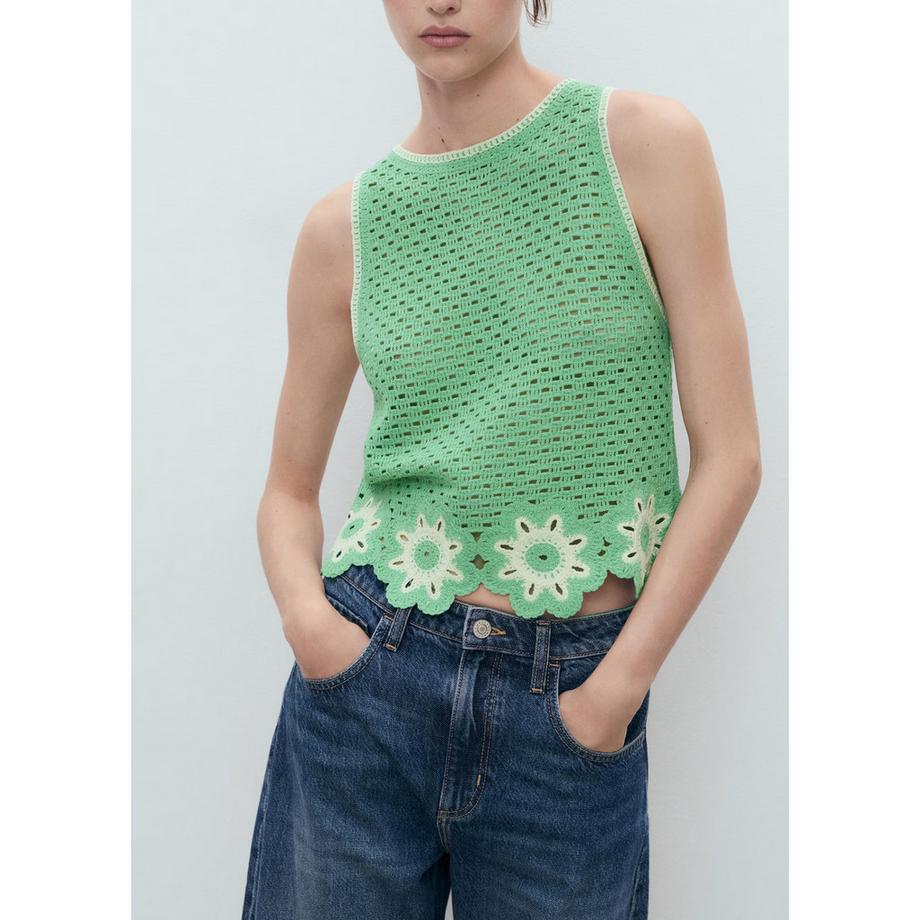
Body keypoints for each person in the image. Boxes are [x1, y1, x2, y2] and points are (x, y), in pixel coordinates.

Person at [242, 2, 761, 918]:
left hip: (571, 698)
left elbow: (732, 457)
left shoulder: (643, 147)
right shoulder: (345, 227)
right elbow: (288, 489)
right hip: (368, 683)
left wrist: (613, 692)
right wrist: (315, 633)